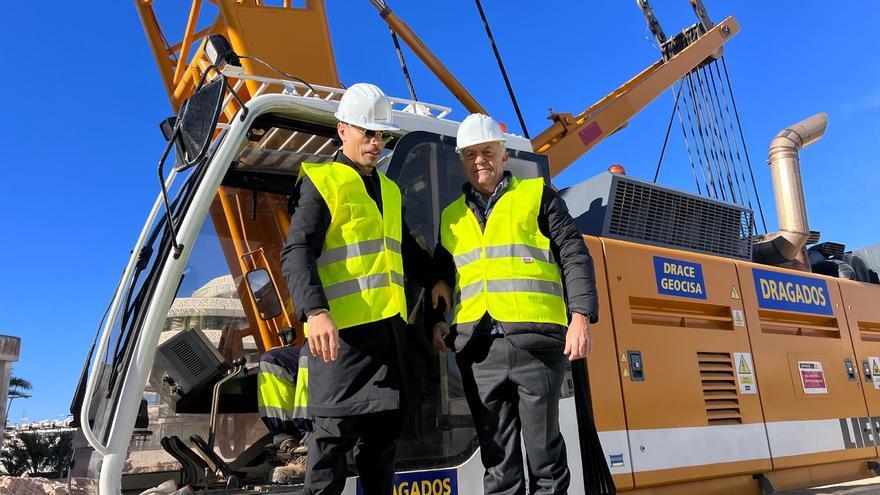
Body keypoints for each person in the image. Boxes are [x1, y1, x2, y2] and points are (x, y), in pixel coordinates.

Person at [281, 82, 451, 495]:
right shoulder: (322, 181)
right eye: (367, 133)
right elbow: (297, 250)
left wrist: (438, 277)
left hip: (388, 338)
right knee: (330, 448)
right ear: (343, 130)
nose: (376, 143)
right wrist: (315, 311)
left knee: (382, 448)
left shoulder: (389, 190)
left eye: (382, 135)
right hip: (343, 343)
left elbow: (405, 250)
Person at [430, 113, 599, 495]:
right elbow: (442, 272)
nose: (479, 161)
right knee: (498, 465)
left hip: (535, 345)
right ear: (462, 160)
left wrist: (581, 316)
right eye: (470, 154)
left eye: (487, 151)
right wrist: (436, 317)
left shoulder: (537, 196)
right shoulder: (451, 217)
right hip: (478, 351)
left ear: (504, 155)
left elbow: (574, 254)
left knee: (544, 458)